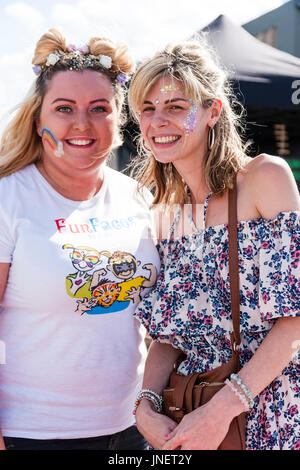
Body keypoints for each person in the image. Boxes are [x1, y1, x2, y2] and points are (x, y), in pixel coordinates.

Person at [128, 37, 300, 450]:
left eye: (175, 106)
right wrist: (145, 406)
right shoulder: (165, 210)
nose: (158, 122)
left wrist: (221, 410)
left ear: (212, 112)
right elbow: (171, 337)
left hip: (270, 412)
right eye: (148, 109)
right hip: (187, 417)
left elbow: (296, 318)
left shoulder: (264, 179)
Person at [0, 28, 160, 451]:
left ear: (118, 118)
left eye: (99, 108)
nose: (82, 124)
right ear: (39, 122)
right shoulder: (8, 199)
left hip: (131, 431)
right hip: (32, 434)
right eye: (64, 108)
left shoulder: (139, 197)